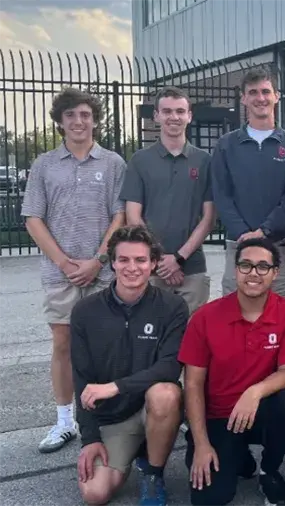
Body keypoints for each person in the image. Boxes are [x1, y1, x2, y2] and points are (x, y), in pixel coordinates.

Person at [21, 87, 126, 453]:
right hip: (59, 273)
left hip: (103, 272)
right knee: (63, 344)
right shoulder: (44, 164)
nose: (78, 121)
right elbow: (33, 218)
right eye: (70, 115)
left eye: (85, 115)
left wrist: (98, 260)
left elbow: (120, 215)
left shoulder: (113, 163)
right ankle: (65, 421)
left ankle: (108, 416)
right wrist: (65, 263)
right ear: (60, 121)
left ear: (95, 120)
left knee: (106, 345)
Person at [179, 238, 285, 506]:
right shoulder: (205, 317)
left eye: (263, 266)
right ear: (236, 269)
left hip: (262, 410)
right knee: (209, 499)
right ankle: (238, 456)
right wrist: (202, 444)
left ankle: (269, 471)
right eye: (246, 265)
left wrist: (254, 392)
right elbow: (192, 384)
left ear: (275, 272)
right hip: (218, 416)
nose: (253, 273)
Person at [71, 225, 188, 506]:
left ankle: (153, 472)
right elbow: (81, 377)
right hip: (112, 417)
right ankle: (136, 447)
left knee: (166, 393)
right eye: (123, 259)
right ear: (112, 262)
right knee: (94, 495)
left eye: (140, 260)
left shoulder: (172, 307)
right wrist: (90, 439)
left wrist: (115, 386)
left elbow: (170, 367)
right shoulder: (85, 311)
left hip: (152, 407)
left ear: (154, 263)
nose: (132, 268)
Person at [211, 67, 285, 301]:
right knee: (235, 315)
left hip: (281, 248)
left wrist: (265, 231)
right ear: (243, 98)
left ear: (277, 96)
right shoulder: (226, 145)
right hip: (238, 246)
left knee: (283, 315)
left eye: (265, 91)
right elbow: (221, 195)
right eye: (253, 92)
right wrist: (245, 234)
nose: (260, 98)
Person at [121, 86, 215, 314]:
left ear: (189, 116)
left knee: (192, 333)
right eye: (167, 111)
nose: (174, 117)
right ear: (156, 116)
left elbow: (209, 218)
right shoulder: (140, 160)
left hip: (192, 268)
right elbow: (133, 216)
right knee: (149, 332)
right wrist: (161, 259)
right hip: (149, 268)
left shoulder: (204, 161)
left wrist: (179, 258)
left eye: (180, 111)